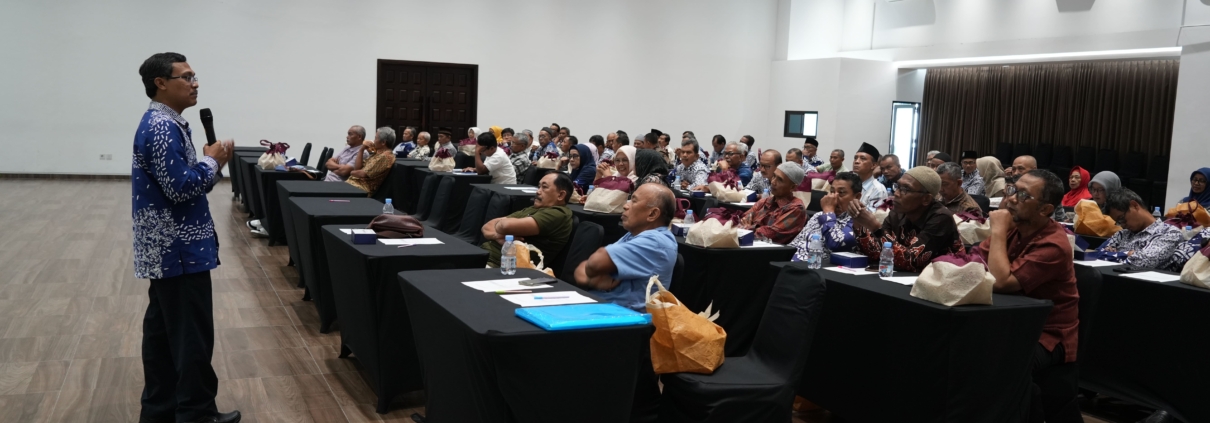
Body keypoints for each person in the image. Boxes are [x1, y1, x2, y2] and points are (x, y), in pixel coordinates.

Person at [134, 52, 240, 423]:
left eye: (195, 77)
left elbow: (182, 185)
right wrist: (212, 161)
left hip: (168, 247)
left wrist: (209, 165)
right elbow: (180, 189)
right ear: (161, 83)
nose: (195, 84)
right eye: (187, 77)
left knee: (163, 336)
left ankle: (160, 411)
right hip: (179, 248)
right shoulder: (163, 127)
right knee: (191, 336)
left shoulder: (162, 122)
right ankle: (196, 414)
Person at [971, 169, 1081, 423]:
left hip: (1047, 334)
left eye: (1023, 195)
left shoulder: (1054, 243)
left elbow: (1001, 282)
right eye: (1012, 190)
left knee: (1002, 364)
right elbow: (975, 260)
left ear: (1045, 209)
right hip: (1009, 322)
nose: (1010, 199)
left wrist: (998, 231)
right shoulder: (1016, 228)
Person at [574, 182, 678, 310]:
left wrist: (592, 274)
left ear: (652, 214)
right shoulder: (634, 234)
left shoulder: (656, 241)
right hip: (602, 307)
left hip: (622, 316)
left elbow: (595, 262)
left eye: (634, 201)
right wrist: (593, 278)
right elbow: (581, 270)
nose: (625, 205)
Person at [853, 166, 963, 272]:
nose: (896, 193)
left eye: (905, 189)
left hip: (941, 279)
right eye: (898, 186)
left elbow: (910, 260)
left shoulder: (941, 217)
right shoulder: (897, 212)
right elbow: (876, 252)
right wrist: (858, 221)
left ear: (926, 199)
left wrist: (876, 228)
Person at [480, 172, 574, 267]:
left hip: (503, 266)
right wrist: (497, 235)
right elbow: (486, 227)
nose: (538, 191)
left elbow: (505, 225)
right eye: (539, 186)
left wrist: (501, 226)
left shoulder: (558, 214)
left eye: (544, 187)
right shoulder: (535, 208)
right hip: (486, 256)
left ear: (561, 195)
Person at [1096, 189, 1184, 270]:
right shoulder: (1122, 234)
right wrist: (1127, 254)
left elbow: (1142, 262)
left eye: (1122, 218)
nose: (1122, 225)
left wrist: (1112, 255)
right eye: (1118, 222)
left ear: (1134, 205)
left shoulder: (1169, 233)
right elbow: (1095, 255)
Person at [789, 172, 863, 262]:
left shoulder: (857, 221)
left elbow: (836, 244)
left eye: (841, 193)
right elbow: (795, 244)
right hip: (791, 264)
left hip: (815, 267)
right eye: (832, 191)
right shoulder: (819, 215)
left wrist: (828, 212)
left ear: (857, 197)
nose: (833, 197)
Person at [739, 162, 809, 244]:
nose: (773, 182)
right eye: (774, 176)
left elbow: (767, 235)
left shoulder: (796, 208)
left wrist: (747, 227)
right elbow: (741, 221)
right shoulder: (765, 201)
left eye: (780, 180)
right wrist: (748, 228)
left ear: (792, 187)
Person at [346, 127, 398, 195]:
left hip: (361, 188)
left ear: (383, 142)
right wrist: (362, 149)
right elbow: (357, 168)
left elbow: (362, 174)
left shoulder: (384, 157)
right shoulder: (378, 153)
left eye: (375, 138)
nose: (373, 141)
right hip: (354, 185)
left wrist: (351, 172)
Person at [1073, 171, 1123, 237]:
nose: (1096, 193)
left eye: (1101, 190)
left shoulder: (1120, 210)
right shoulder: (1090, 205)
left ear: (1111, 190)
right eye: (1093, 189)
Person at [853, 143, 888, 211]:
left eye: (863, 158)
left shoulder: (878, 189)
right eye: (855, 158)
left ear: (873, 165)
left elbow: (871, 216)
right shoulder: (851, 184)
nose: (856, 161)